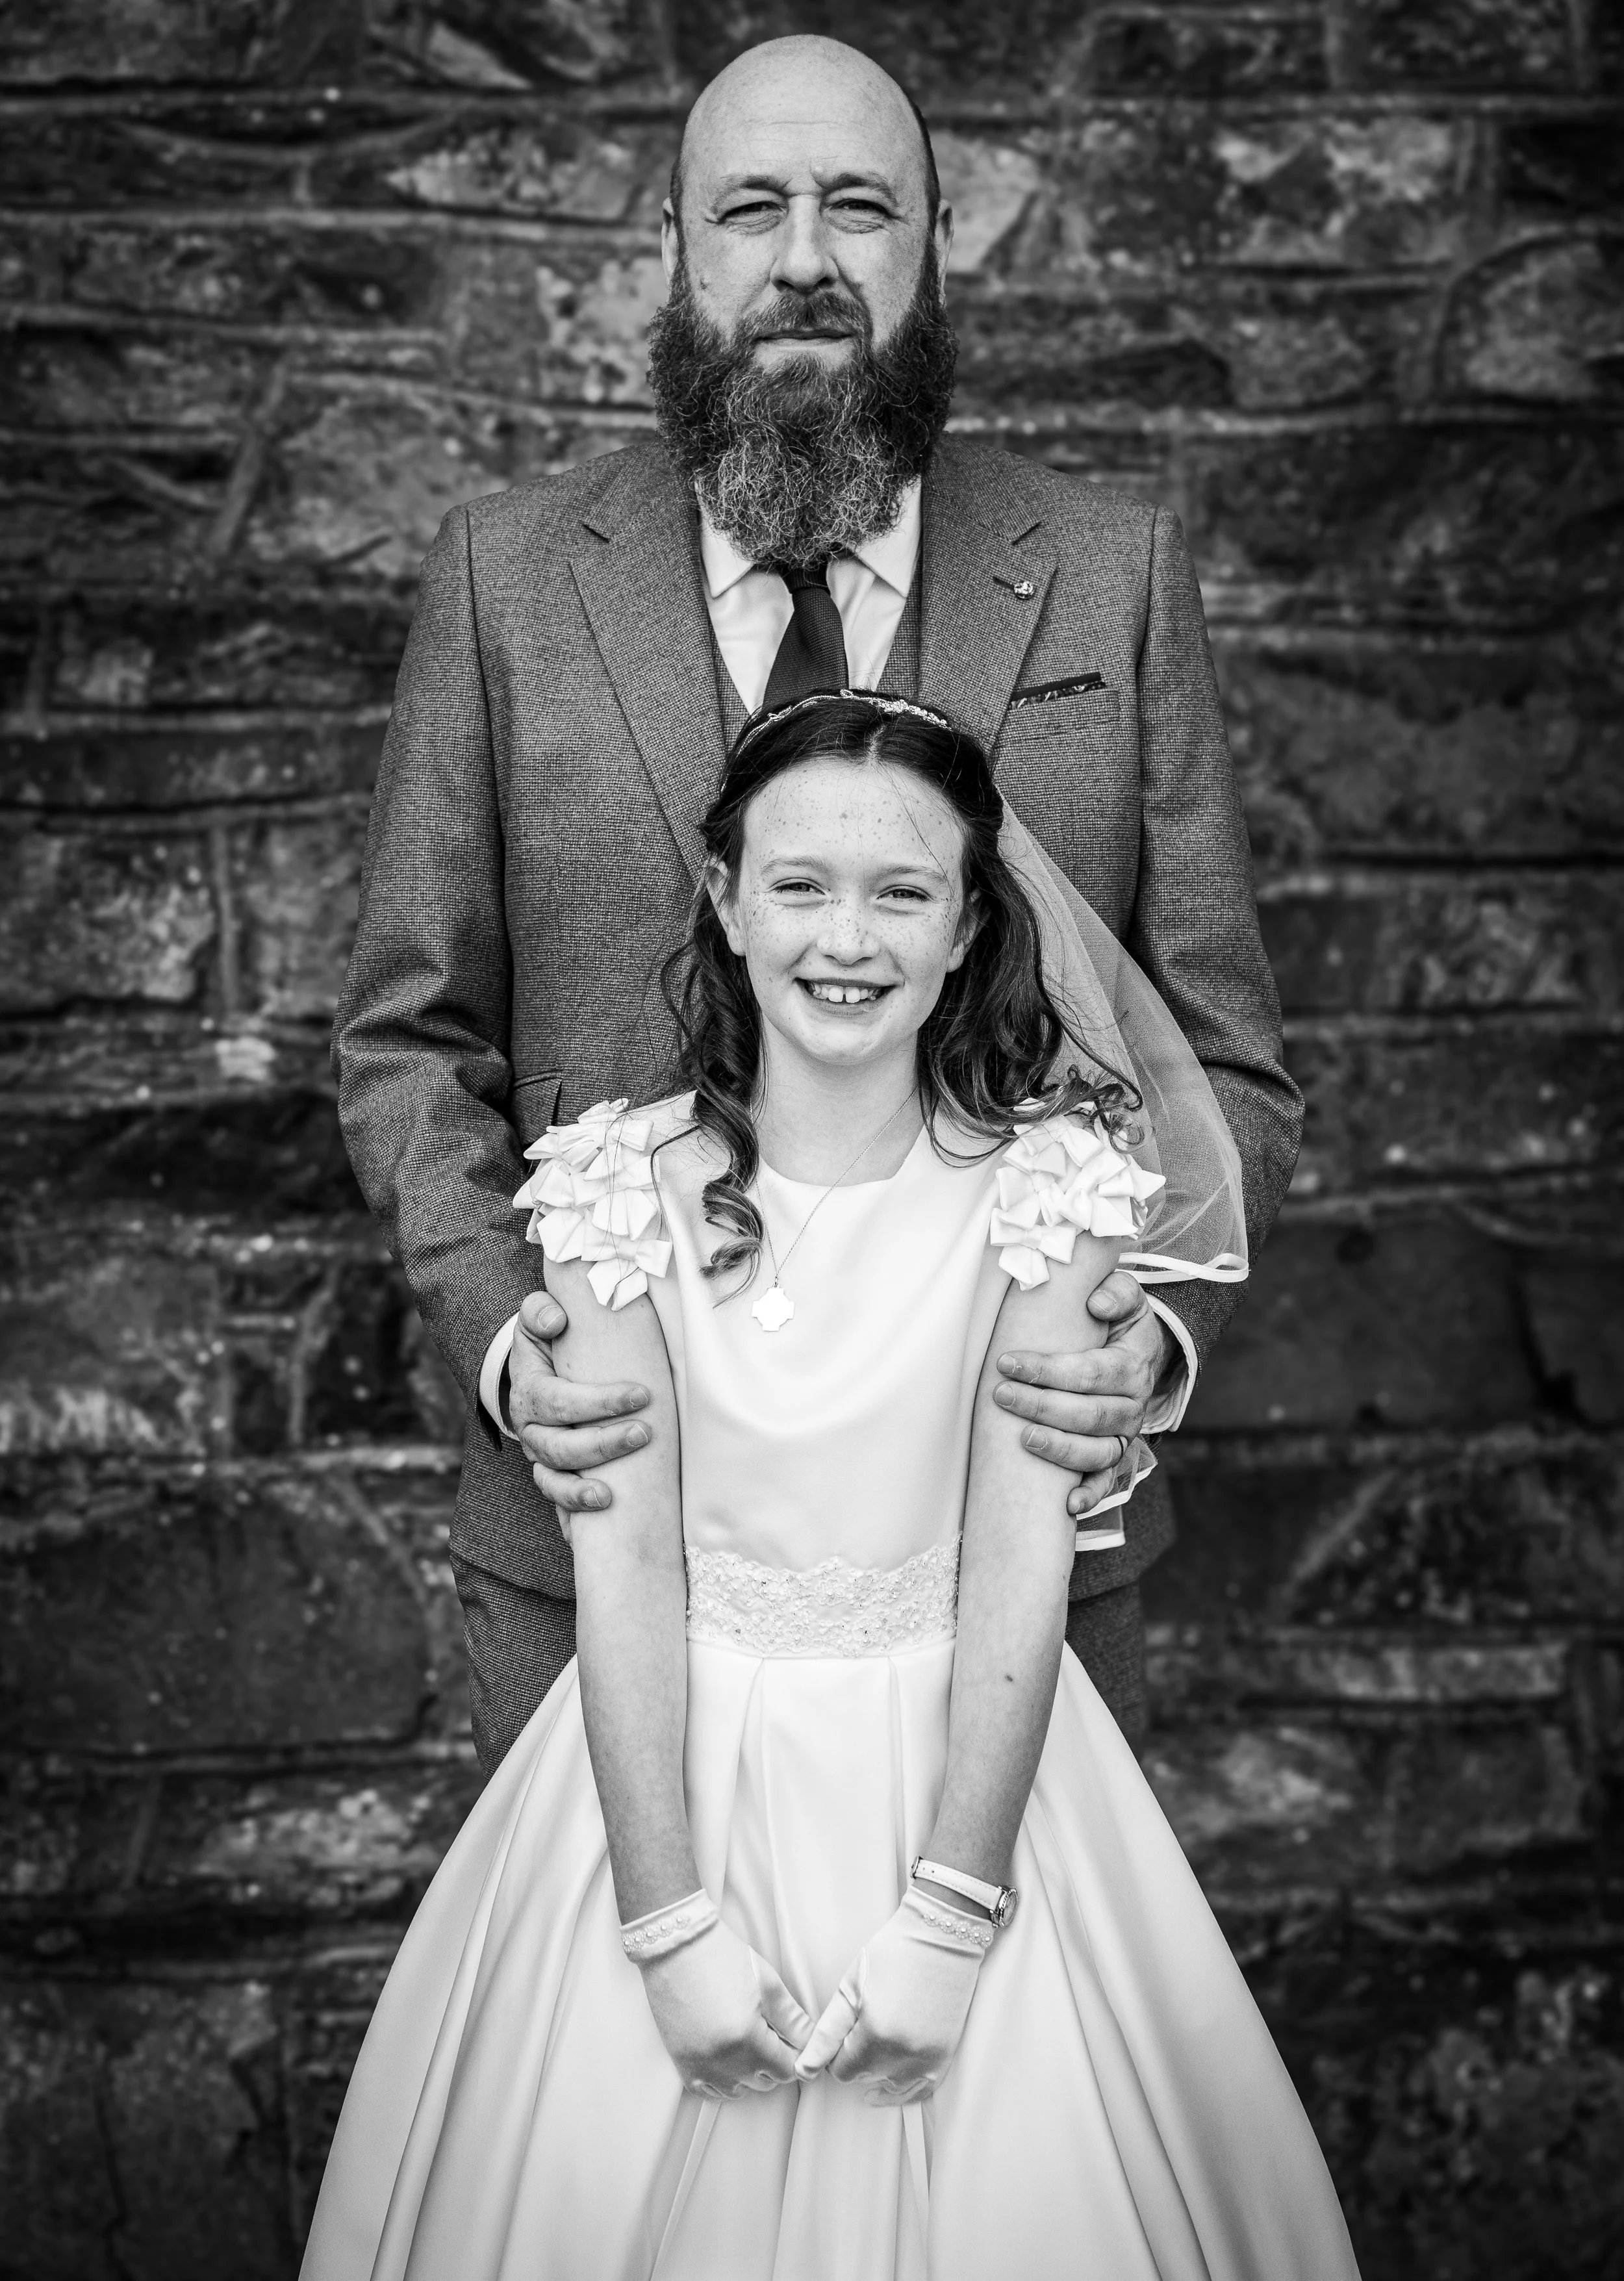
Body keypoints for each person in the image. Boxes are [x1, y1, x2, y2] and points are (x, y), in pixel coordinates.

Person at [331, 34, 1300, 1767]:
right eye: (748, 210)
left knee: (997, 1951)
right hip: (593, 1532)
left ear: (934, 242)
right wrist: (507, 1345)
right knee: (624, 1952)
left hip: (1022, 1547)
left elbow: (1221, 1050)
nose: (803, 259)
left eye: (857, 207)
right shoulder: (504, 577)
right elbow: (408, 1037)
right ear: (670, 249)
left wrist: (1146, 1332)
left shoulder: (1109, 572)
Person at [302, 696, 1354, 2279]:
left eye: (901, 892)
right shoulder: (612, 1189)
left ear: (967, 925)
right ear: (725, 904)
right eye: (797, 886)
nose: (844, 938)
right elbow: (625, 1574)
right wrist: (664, 1922)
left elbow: (1021, 1567)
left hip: (966, 1769)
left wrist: (952, 1912)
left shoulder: (1049, 1198)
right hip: (668, 1780)